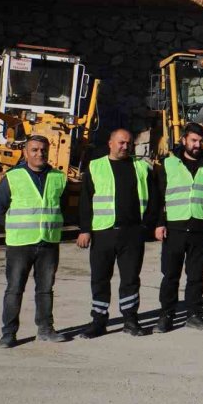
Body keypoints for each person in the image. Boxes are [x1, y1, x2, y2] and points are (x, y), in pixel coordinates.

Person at [77, 128, 158, 338]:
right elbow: (85, 201)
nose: (125, 147)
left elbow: (154, 199)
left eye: (129, 143)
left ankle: (130, 319)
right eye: (121, 143)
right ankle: (99, 320)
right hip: (103, 232)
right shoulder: (96, 167)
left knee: (130, 278)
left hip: (132, 233)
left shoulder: (141, 167)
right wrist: (85, 230)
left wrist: (146, 226)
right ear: (110, 143)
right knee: (100, 278)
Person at [0, 136, 66, 348]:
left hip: (48, 242)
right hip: (20, 244)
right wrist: (12, 228)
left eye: (43, 150)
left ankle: (45, 329)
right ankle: (9, 333)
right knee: (15, 288)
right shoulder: (13, 177)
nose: (39, 154)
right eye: (34, 150)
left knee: (45, 289)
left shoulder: (58, 177)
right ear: (26, 153)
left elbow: (59, 207)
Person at [153, 123, 203, 333]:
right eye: (193, 140)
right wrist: (159, 223)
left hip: (200, 229)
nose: (197, 145)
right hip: (174, 228)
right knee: (170, 275)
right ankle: (166, 315)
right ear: (184, 140)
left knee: (196, 276)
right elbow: (158, 196)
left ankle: (194, 315)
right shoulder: (168, 164)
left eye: (200, 141)